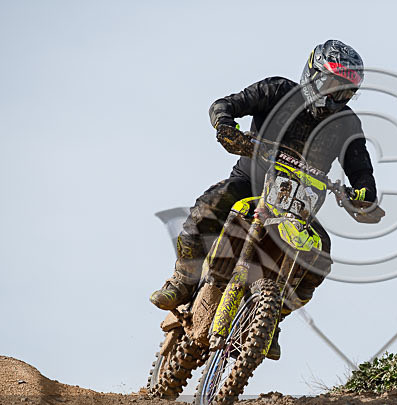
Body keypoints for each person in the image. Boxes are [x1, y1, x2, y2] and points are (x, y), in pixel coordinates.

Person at [150, 39, 378, 359]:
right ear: (313, 75)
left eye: (345, 92)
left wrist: (365, 198)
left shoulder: (347, 123)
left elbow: (361, 170)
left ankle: (270, 319)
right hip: (250, 183)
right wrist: (226, 127)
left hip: (298, 208)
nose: (335, 97)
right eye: (331, 86)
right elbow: (224, 104)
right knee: (206, 211)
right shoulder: (276, 91)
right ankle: (183, 280)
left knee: (320, 258)